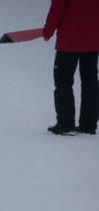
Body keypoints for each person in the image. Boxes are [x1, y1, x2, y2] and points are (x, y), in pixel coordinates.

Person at [43, 0, 99, 135]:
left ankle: (65, 123)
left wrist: (48, 31)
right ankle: (89, 124)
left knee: (63, 81)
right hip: (93, 39)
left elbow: (57, 8)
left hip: (69, 40)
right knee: (90, 82)